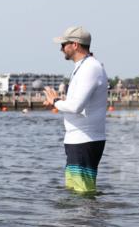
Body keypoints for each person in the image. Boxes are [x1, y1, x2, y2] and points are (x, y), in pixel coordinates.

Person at [43, 26, 108, 195]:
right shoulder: (82, 66)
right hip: (76, 140)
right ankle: (77, 222)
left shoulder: (90, 68)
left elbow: (76, 107)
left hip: (85, 140)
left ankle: (87, 221)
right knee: (74, 193)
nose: (60, 48)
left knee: (83, 194)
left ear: (75, 45)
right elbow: (77, 103)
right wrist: (58, 102)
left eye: (64, 44)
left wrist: (56, 101)